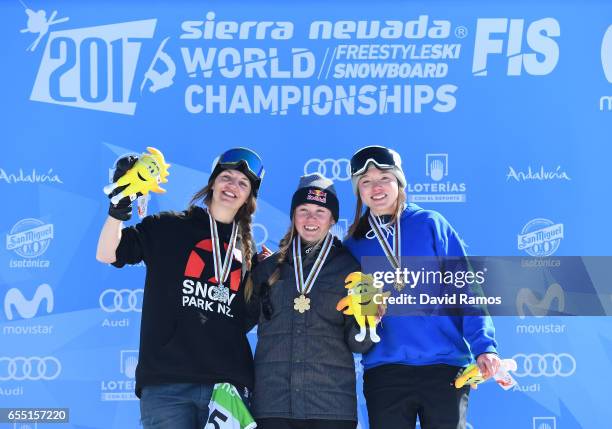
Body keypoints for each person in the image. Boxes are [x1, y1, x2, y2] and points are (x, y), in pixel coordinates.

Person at [96, 147, 266, 429]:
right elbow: (107, 253)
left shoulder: (247, 254)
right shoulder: (168, 227)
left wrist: (264, 279)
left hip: (227, 387)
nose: (232, 186)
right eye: (226, 177)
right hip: (167, 385)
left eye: (242, 183)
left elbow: (244, 321)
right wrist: (118, 210)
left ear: (250, 197)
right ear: (212, 182)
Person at [343, 145, 500, 429]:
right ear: (358, 190)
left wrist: (484, 346)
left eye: (384, 179)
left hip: (443, 366)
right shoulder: (354, 243)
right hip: (385, 370)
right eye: (366, 182)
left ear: (399, 182)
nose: (375, 188)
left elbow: (465, 288)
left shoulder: (430, 224)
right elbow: (351, 309)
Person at [247, 173, 375, 429]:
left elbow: (360, 345)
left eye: (320, 211)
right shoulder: (267, 268)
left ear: (332, 219)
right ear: (294, 215)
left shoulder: (353, 270)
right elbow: (238, 322)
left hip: (330, 408)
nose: (311, 218)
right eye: (303, 210)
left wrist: (369, 319)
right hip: (273, 405)